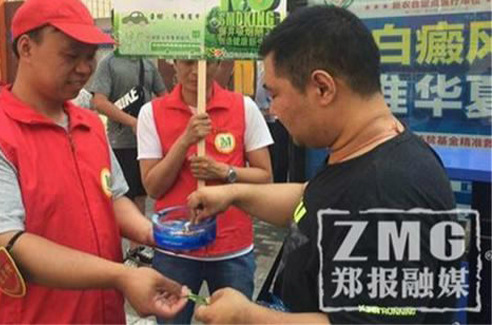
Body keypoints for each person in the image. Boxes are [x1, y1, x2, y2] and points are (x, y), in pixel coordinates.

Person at [186, 5, 456, 325]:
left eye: (275, 94)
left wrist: (247, 316)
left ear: (322, 88)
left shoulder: (389, 193)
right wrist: (233, 195)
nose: (273, 111)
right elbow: (314, 197)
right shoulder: (359, 152)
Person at [0, 0, 187, 323]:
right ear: (26, 48)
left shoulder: (88, 126)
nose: (85, 68)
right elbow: (11, 248)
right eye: (72, 55)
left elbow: (112, 199)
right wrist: (121, 276)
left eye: (90, 57)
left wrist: (153, 232)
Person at [136, 59, 274, 324]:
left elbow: (264, 177)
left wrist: (223, 171)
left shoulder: (243, 107)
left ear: (218, 64)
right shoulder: (151, 113)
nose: (196, 71)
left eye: (206, 62)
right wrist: (185, 140)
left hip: (232, 247)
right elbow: (153, 187)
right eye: (187, 62)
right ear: (174, 63)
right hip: (175, 249)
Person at [89, 51, 167, 217]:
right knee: (123, 197)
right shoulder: (108, 63)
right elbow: (99, 102)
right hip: (120, 143)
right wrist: (132, 122)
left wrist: (152, 122)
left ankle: (138, 242)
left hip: (145, 145)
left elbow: (163, 96)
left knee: (141, 196)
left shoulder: (147, 63)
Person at [255, 61, 290, 183]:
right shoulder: (257, 65)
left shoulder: (274, 66)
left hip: (276, 119)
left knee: (279, 161)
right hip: (262, 117)